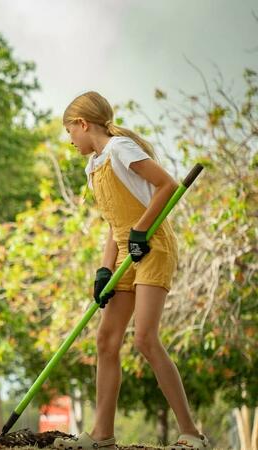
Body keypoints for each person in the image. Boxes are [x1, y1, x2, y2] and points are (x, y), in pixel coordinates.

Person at [53, 91, 208, 450]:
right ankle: (102, 436)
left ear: (82, 124)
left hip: (153, 245)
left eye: (69, 133)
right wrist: (104, 270)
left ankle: (191, 434)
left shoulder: (120, 148)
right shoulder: (92, 167)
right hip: (127, 249)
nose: (71, 141)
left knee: (144, 339)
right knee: (106, 340)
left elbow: (167, 185)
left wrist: (141, 231)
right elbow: (113, 224)